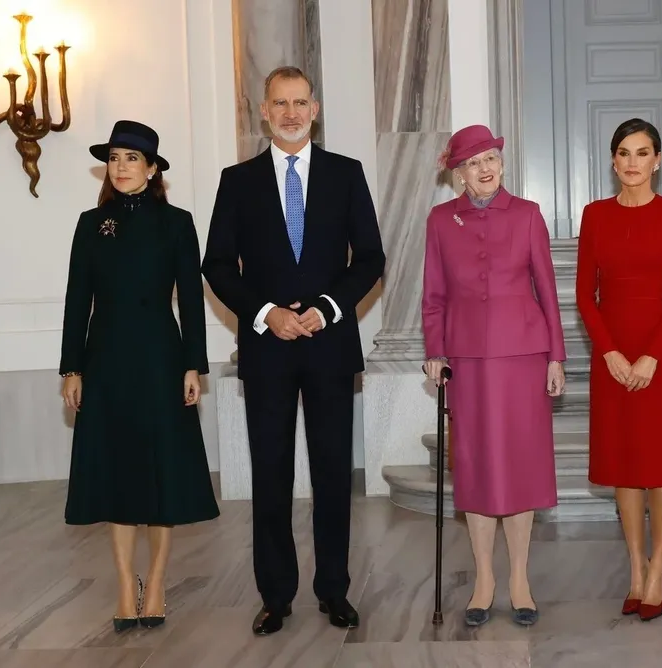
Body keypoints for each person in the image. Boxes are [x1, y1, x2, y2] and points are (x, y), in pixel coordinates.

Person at [202, 66, 385, 635]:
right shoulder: (237, 180)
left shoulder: (346, 174)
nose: (289, 113)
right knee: (272, 475)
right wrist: (266, 315)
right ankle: (275, 595)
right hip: (268, 350)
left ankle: (334, 590)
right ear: (263, 110)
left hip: (330, 347)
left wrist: (328, 308)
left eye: (299, 102)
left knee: (333, 475)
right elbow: (216, 265)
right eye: (278, 103)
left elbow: (371, 260)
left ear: (315, 107)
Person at [59, 120, 220, 633]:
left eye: (133, 158)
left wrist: (193, 363)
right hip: (104, 362)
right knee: (116, 473)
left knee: (161, 475)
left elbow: (192, 302)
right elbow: (75, 301)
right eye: (115, 158)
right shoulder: (91, 223)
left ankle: (157, 580)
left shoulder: (177, 223)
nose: (122, 167)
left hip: (160, 361)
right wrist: (71, 367)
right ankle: (126, 585)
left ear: (153, 170)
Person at [421, 124, 566, 627]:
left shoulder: (527, 215)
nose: (486, 168)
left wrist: (556, 357)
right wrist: (434, 351)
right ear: (459, 173)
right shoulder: (440, 221)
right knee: (477, 467)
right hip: (467, 363)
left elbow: (547, 289)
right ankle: (484, 579)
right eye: (475, 162)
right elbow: (434, 294)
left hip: (524, 358)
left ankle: (520, 579)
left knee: (521, 466)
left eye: (492, 159)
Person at [574, 118, 662, 622]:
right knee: (625, 463)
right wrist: (610, 353)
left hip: (660, 355)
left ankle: (660, 564)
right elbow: (585, 294)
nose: (631, 162)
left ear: (657, 160)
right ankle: (635, 566)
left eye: (642, 153)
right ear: (612, 160)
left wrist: (650, 356)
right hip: (612, 356)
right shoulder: (595, 215)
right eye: (623, 153)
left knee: (660, 464)